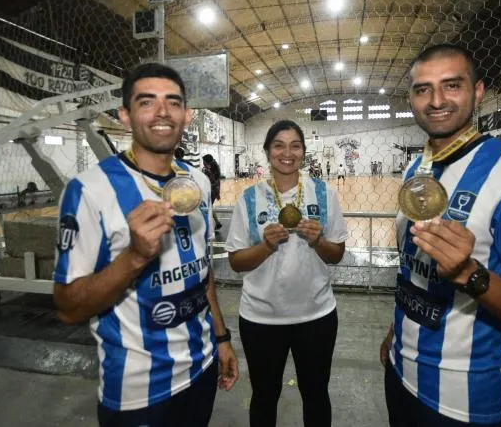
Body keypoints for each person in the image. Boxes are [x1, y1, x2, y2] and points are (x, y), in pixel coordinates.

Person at [379, 44, 501, 427]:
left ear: (478, 91)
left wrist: (468, 272)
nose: (436, 101)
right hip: (400, 374)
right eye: (423, 89)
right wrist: (397, 333)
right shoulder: (417, 169)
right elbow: (414, 272)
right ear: (412, 99)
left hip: (467, 402)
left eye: (452, 85)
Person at [52, 63, 238, 427]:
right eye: (146, 102)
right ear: (125, 115)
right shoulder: (90, 190)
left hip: (201, 367)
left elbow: (202, 271)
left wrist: (222, 337)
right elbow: (68, 308)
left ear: (186, 116)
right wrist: (135, 256)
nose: (162, 112)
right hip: (137, 390)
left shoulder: (196, 181)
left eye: (172, 102)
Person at [226, 119, 347, 427]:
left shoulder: (323, 193)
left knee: (316, 393)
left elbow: (337, 255)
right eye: (279, 145)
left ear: (303, 152)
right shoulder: (249, 198)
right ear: (267, 151)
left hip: (316, 316)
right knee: (264, 396)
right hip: (262, 318)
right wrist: (266, 246)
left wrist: (318, 240)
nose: (287, 153)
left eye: (295, 145)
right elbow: (237, 262)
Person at [202, 153, 223, 231]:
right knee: (208, 206)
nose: (203, 163)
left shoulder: (213, 168)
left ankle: (212, 224)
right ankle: (217, 223)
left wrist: (207, 172)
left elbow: (214, 181)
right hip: (211, 190)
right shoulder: (210, 167)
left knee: (207, 207)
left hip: (212, 190)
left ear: (207, 162)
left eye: (203, 161)